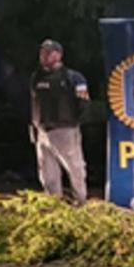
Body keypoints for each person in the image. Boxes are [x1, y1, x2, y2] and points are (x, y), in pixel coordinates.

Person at [30, 39, 90, 203]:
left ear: (58, 55)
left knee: (75, 167)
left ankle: (80, 201)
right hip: (42, 131)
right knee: (47, 172)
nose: (44, 56)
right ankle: (54, 203)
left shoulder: (73, 77)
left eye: (48, 53)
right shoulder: (36, 77)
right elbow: (34, 104)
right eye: (42, 52)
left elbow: (84, 104)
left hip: (65, 130)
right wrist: (34, 127)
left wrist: (74, 123)